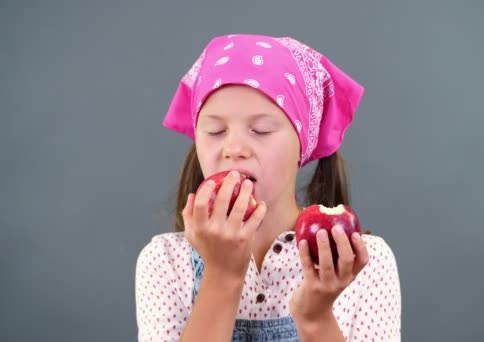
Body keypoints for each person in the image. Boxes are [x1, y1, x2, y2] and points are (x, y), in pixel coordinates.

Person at [135, 33, 401, 341]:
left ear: (302, 143)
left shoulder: (362, 263)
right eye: (215, 130)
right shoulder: (165, 261)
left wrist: (315, 318)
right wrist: (222, 275)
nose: (234, 148)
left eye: (261, 130)